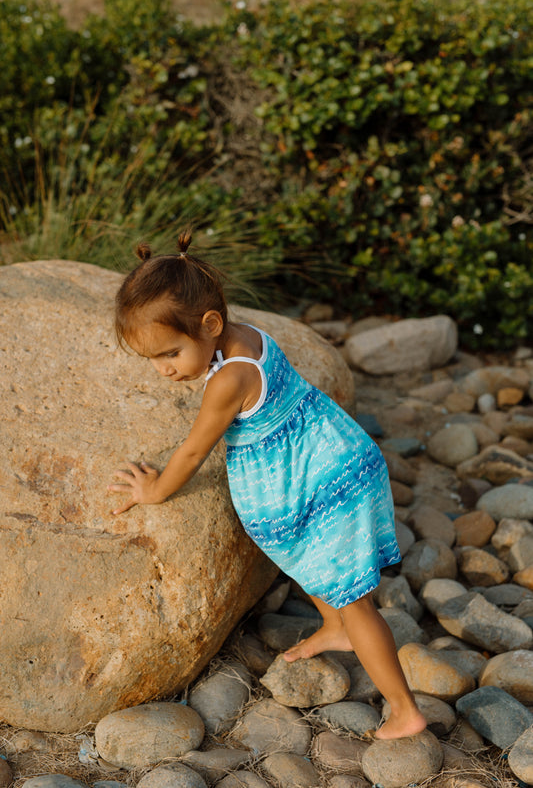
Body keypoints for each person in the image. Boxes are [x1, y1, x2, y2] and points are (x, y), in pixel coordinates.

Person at [108, 232, 426, 740]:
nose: (163, 369)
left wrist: (156, 490)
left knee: (356, 598)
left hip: (326, 480)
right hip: (329, 451)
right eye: (152, 359)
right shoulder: (244, 335)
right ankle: (337, 629)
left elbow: (193, 451)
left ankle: (405, 708)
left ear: (210, 324)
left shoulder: (227, 381)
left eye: (169, 353)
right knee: (314, 559)